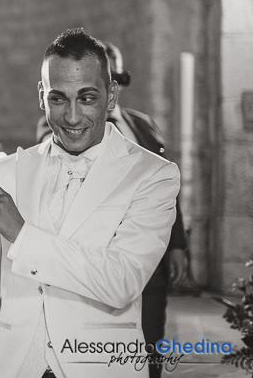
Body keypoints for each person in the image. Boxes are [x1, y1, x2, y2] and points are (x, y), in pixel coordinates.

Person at [0, 28, 180, 377]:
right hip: (18, 367)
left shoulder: (152, 175)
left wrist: (22, 234)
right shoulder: (6, 171)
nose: (72, 117)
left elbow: (122, 282)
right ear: (41, 97)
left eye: (87, 98)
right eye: (58, 99)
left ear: (111, 96)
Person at [35, 40, 188, 378]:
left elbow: (166, 183)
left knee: (149, 342)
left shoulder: (143, 124)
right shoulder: (61, 127)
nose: (75, 112)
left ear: (113, 88)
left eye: (89, 93)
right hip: (96, 263)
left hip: (148, 250)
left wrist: (177, 244)